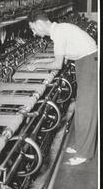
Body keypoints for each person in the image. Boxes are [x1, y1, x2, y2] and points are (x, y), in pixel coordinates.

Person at [27, 10, 98, 165]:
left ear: (39, 24)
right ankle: (81, 145)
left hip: (90, 63)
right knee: (81, 107)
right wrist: (41, 63)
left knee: (86, 109)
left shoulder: (58, 33)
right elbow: (63, 60)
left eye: (33, 29)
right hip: (84, 62)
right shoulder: (59, 30)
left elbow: (58, 64)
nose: (34, 33)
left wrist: (37, 67)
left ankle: (85, 153)